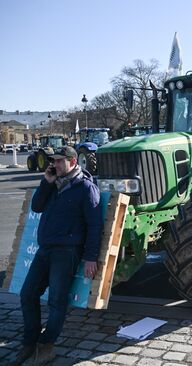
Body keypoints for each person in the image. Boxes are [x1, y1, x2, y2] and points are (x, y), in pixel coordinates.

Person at [13, 146, 102, 366]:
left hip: (67, 251)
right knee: (27, 294)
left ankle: (46, 346)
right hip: (46, 248)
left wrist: (91, 257)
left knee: (56, 301)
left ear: (73, 161)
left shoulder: (86, 188)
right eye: (53, 161)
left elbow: (94, 225)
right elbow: (37, 206)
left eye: (60, 161)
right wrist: (46, 182)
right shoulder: (53, 183)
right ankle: (30, 341)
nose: (54, 165)